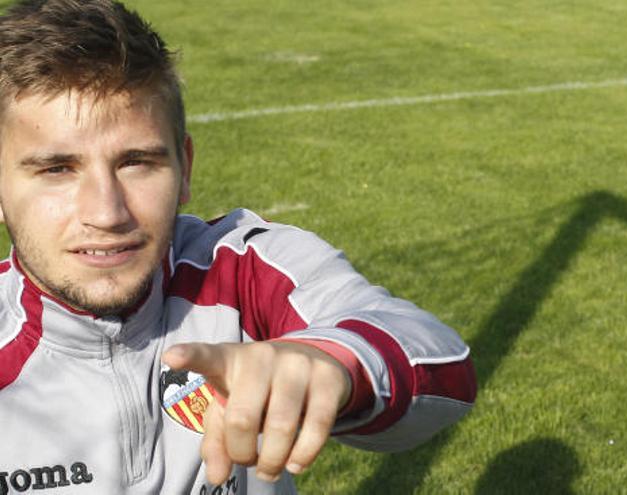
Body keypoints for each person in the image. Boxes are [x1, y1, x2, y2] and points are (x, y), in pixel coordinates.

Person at [0, 0, 476, 493]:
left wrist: (333, 364)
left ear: (184, 167)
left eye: (137, 162)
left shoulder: (240, 268)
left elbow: (443, 368)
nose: (107, 212)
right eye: (57, 169)